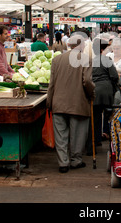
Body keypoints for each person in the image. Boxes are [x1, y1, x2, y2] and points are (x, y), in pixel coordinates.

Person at [47, 32, 95, 173]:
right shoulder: (86, 59)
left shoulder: (57, 60)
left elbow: (52, 84)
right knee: (78, 134)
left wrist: (49, 102)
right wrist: (92, 93)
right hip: (78, 102)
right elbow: (87, 81)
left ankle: (63, 162)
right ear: (80, 46)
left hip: (58, 103)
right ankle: (76, 160)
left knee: (60, 135)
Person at [87, 37, 119, 155]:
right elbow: (115, 76)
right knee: (110, 118)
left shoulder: (90, 61)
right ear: (101, 49)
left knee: (94, 120)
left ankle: (92, 145)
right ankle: (114, 147)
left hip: (94, 92)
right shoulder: (107, 60)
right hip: (106, 93)